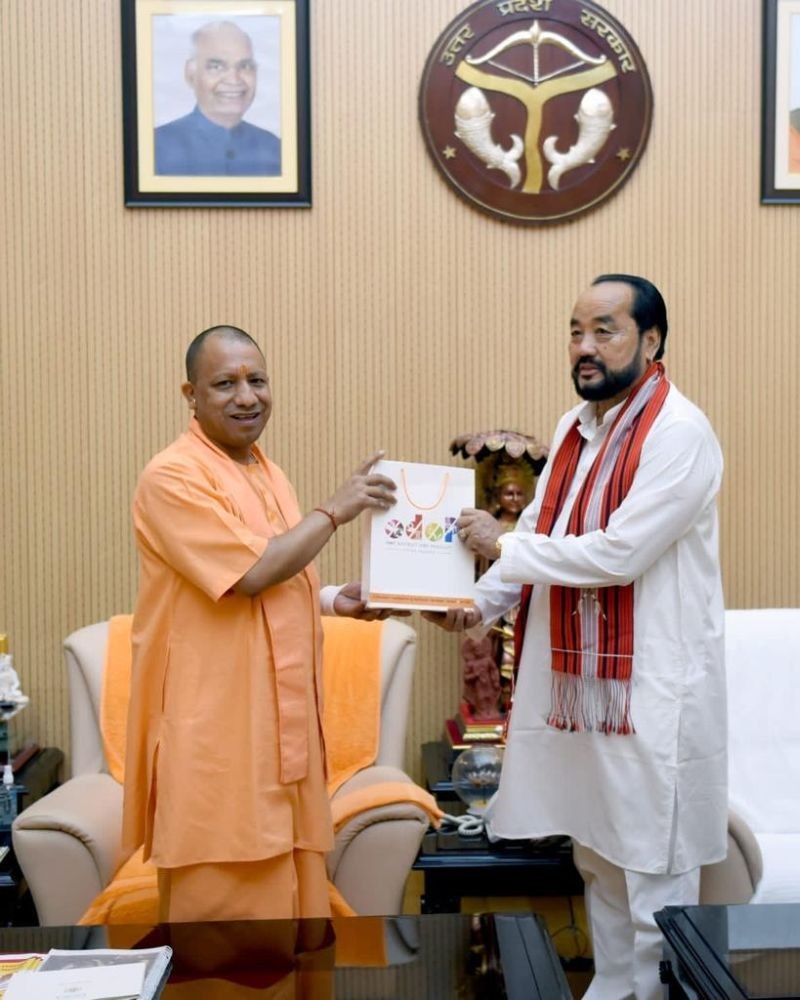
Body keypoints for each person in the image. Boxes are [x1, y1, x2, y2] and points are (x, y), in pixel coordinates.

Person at [425, 275, 726, 1000]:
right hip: (580, 691)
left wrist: (499, 548)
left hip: (648, 694)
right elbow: (541, 538)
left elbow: (618, 552)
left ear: (651, 342)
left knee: (653, 875)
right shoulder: (574, 428)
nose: (585, 348)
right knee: (599, 862)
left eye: (605, 330)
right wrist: (476, 607)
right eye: (575, 331)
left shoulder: (680, 433)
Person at [122, 324, 398, 923]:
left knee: (297, 933)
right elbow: (249, 572)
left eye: (257, 380)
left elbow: (272, 572)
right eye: (225, 383)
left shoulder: (266, 471)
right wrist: (335, 510)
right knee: (225, 942)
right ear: (190, 394)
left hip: (283, 742)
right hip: (218, 741)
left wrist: (330, 600)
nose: (246, 396)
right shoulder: (172, 476)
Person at [155, 21, 281, 176]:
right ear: (191, 74)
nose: (234, 80)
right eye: (216, 67)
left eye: (245, 66)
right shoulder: (154, 150)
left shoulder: (275, 149)